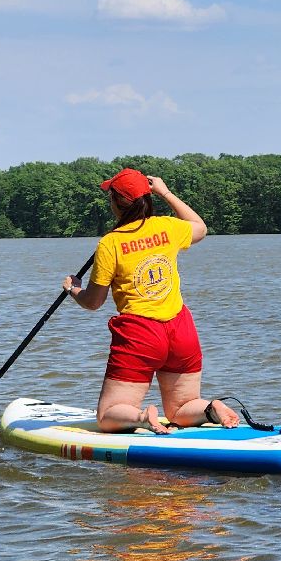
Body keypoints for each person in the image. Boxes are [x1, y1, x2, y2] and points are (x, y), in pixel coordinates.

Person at [62, 168, 242, 434]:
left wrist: (73, 289)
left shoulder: (110, 244)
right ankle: (209, 408)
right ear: (148, 199)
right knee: (181, 408)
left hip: (140, 333)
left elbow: (93, 302)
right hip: (180, 328)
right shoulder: (167, 227)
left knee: (107, 416)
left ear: (115, 204)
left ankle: (141, 417)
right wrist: (166, 192)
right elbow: (200, 228)